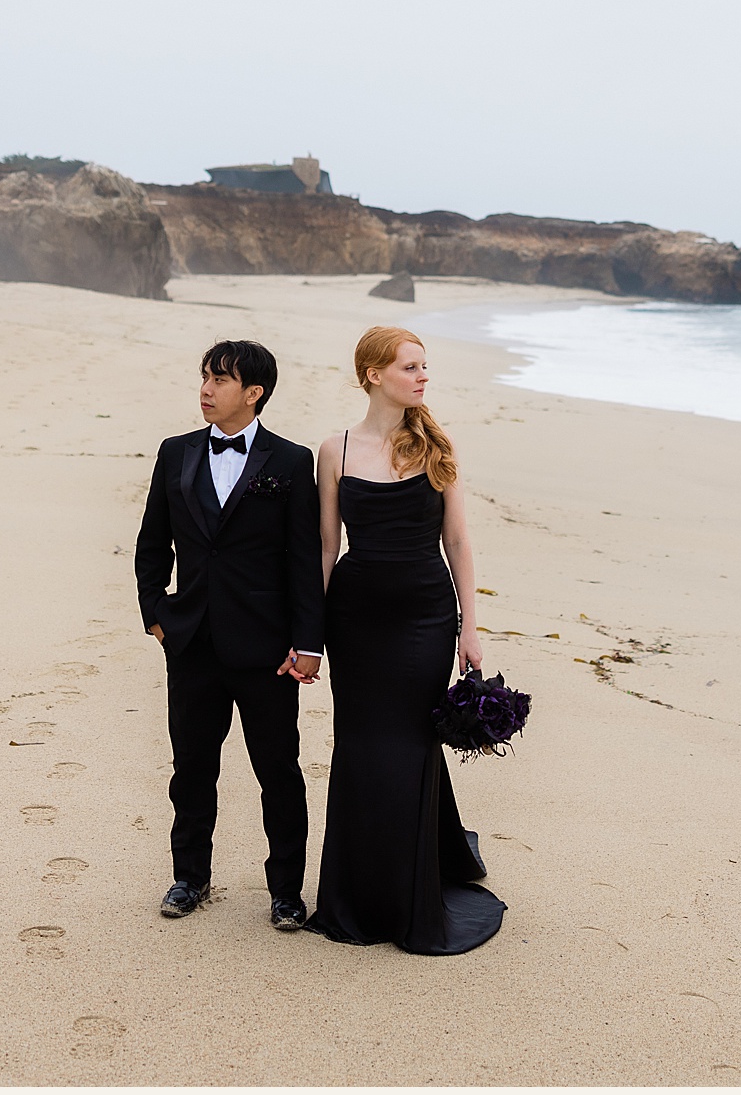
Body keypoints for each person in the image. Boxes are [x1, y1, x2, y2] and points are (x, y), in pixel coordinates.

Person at [307, 325, 505, 955]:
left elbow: (458, 542)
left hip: (424, 614)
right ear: (372, 374)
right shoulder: (333, 450)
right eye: (410, 367)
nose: (422, 377)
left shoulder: (437, 446)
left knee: (412, 744)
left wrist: (469, 627)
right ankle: (355, 898)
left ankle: (411, 893)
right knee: (362, 748)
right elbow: (325, 547)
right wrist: (308, 630)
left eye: (425, 367)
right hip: (355, 617)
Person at [133, 339, 325, 931]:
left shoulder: (291, 462)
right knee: (191, 767)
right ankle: (189, 877)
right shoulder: (176, 453)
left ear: (254, 393)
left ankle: (286, 891)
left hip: (267, 650)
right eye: (204, 376)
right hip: (190, 644)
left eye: (220, 380)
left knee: (279, 771)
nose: (206, 389)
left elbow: (303, 560)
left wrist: (309, 643)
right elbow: (151, 546)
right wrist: (157, 617)